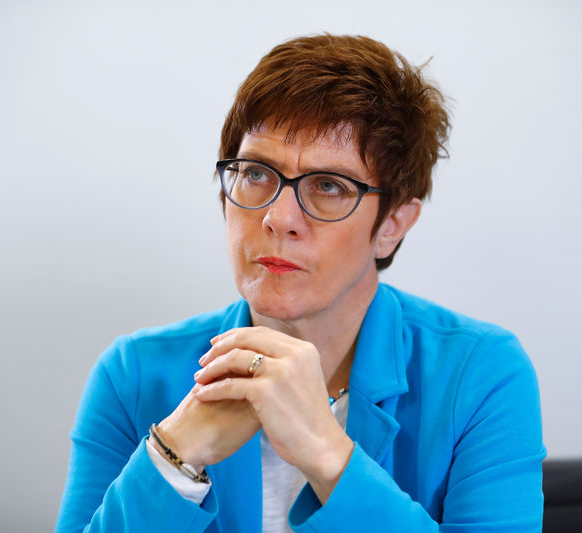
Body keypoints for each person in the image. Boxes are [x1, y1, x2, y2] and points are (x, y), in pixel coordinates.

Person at [55, 34, 545, 532]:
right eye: (257, 173)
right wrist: (173, 457)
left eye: (330, 186)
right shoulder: (132, 374)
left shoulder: (481, 373)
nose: (278, 216)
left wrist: (326, 453)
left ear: (392, 224)